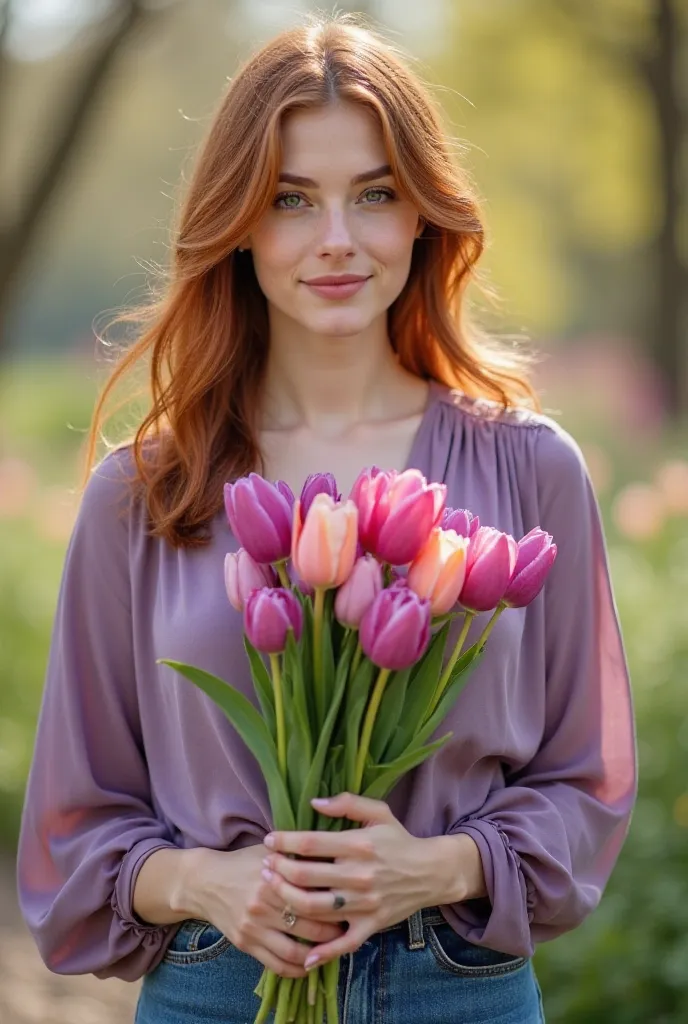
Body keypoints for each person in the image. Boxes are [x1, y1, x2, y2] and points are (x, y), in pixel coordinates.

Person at [16, 14, 637, 1024]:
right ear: (238, 224)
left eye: (375, 194)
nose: (337, 240)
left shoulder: (529, 470)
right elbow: (73, 821)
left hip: (458, 990)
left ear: (423, 215)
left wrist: (436, 866)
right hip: (219, 989)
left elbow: (587, 783)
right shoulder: (146, 493)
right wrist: (208, 882)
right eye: (291, 200)